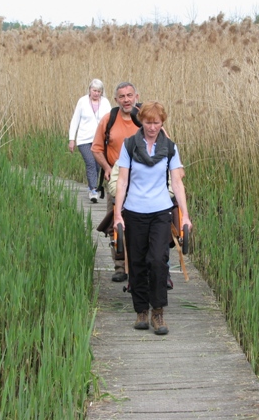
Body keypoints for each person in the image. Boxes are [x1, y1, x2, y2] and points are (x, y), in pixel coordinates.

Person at [113, 102, 192, 335]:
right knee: (137, 262)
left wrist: (185, 216)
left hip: (160, 211)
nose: (152, 126)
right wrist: (118, 213)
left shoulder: (169, 148)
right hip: (134, 211)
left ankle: (158, 312)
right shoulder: (129, 146)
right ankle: (141, 311)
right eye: (148, 122)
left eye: (156, 122)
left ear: (162, 123)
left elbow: (177, 182)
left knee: (158, 260)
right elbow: (122, 181)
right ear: (141, 122)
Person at [92, 81, 142, 282]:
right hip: (116, 176)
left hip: (142, 177)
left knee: (143, 220)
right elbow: (96, 148)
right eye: (122, 96)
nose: (126, 99)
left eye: (130, 95)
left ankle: (144, 264)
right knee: (116, 221)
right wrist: (106, 168)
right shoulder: (109, 119)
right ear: (116, 99)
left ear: (136, 97)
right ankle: (120, 266)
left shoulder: (145, 118)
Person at [68, 79, 112, 202]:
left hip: (100, 140)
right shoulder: (82, 102)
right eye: (94, 90)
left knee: (98, 165)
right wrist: (72, 139)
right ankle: (93, 189)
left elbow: (110, 120)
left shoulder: (105, 103)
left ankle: (91, 185)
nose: (96, 93)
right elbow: (75, 120)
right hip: (84, 140)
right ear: (89, 90)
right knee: (90, 163)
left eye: (99, 91)